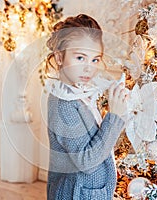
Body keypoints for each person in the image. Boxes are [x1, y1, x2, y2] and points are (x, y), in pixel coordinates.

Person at [45, 14, 128, 200]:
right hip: (76, 193)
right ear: (59, 57)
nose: (89, 68)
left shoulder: (79, 92)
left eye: (95, 60)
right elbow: (87, 161)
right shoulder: (63, 104)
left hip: (88, 191)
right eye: (80, 57)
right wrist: (114, 116)